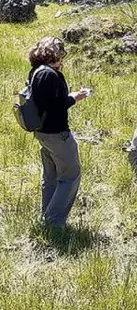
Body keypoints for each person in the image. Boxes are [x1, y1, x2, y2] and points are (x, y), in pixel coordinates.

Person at [27, 37, 90, 227]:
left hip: (42, 133)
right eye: (61, 54)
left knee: (51, 177)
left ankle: (47, 216)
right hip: (57, 134)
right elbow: (54, 107)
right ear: (54, 54)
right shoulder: (49, 75)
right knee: (71, 175)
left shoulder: (36, 72)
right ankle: (53, 222)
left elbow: (44, 103)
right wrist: (73, 98)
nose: (62, 60)